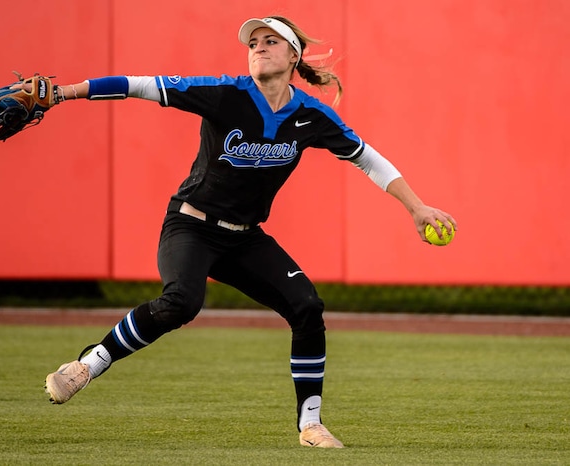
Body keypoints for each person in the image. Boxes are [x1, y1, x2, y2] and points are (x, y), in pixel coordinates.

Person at [43, 16, 457, 448]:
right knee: (181, 303)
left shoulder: (311, 115)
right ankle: (89, 364)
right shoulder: (226, 94)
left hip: (243, 237)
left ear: (293, 56)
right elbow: (140, 85)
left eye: (271, 40)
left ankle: (310, 424)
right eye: (253, 42)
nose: (258, 47)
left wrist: (417, 207)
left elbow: (367, 158)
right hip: (191, 225)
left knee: (307, 307)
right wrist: (62, 93)